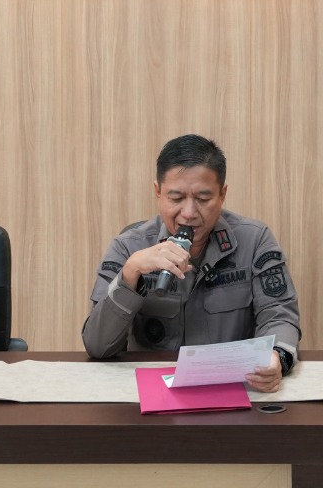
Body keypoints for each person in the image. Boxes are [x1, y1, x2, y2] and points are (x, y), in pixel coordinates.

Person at [82, 134, 300, 393]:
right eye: (176, 198)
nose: (188, 213)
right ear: (158, 192)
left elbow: (279, 314)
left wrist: (276, 356)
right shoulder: (129, 247)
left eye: (203, 199)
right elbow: (98, 347)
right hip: (153, 394)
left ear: (222, 194)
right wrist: (130, 274)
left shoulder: (254, 240)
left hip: (231, 389)